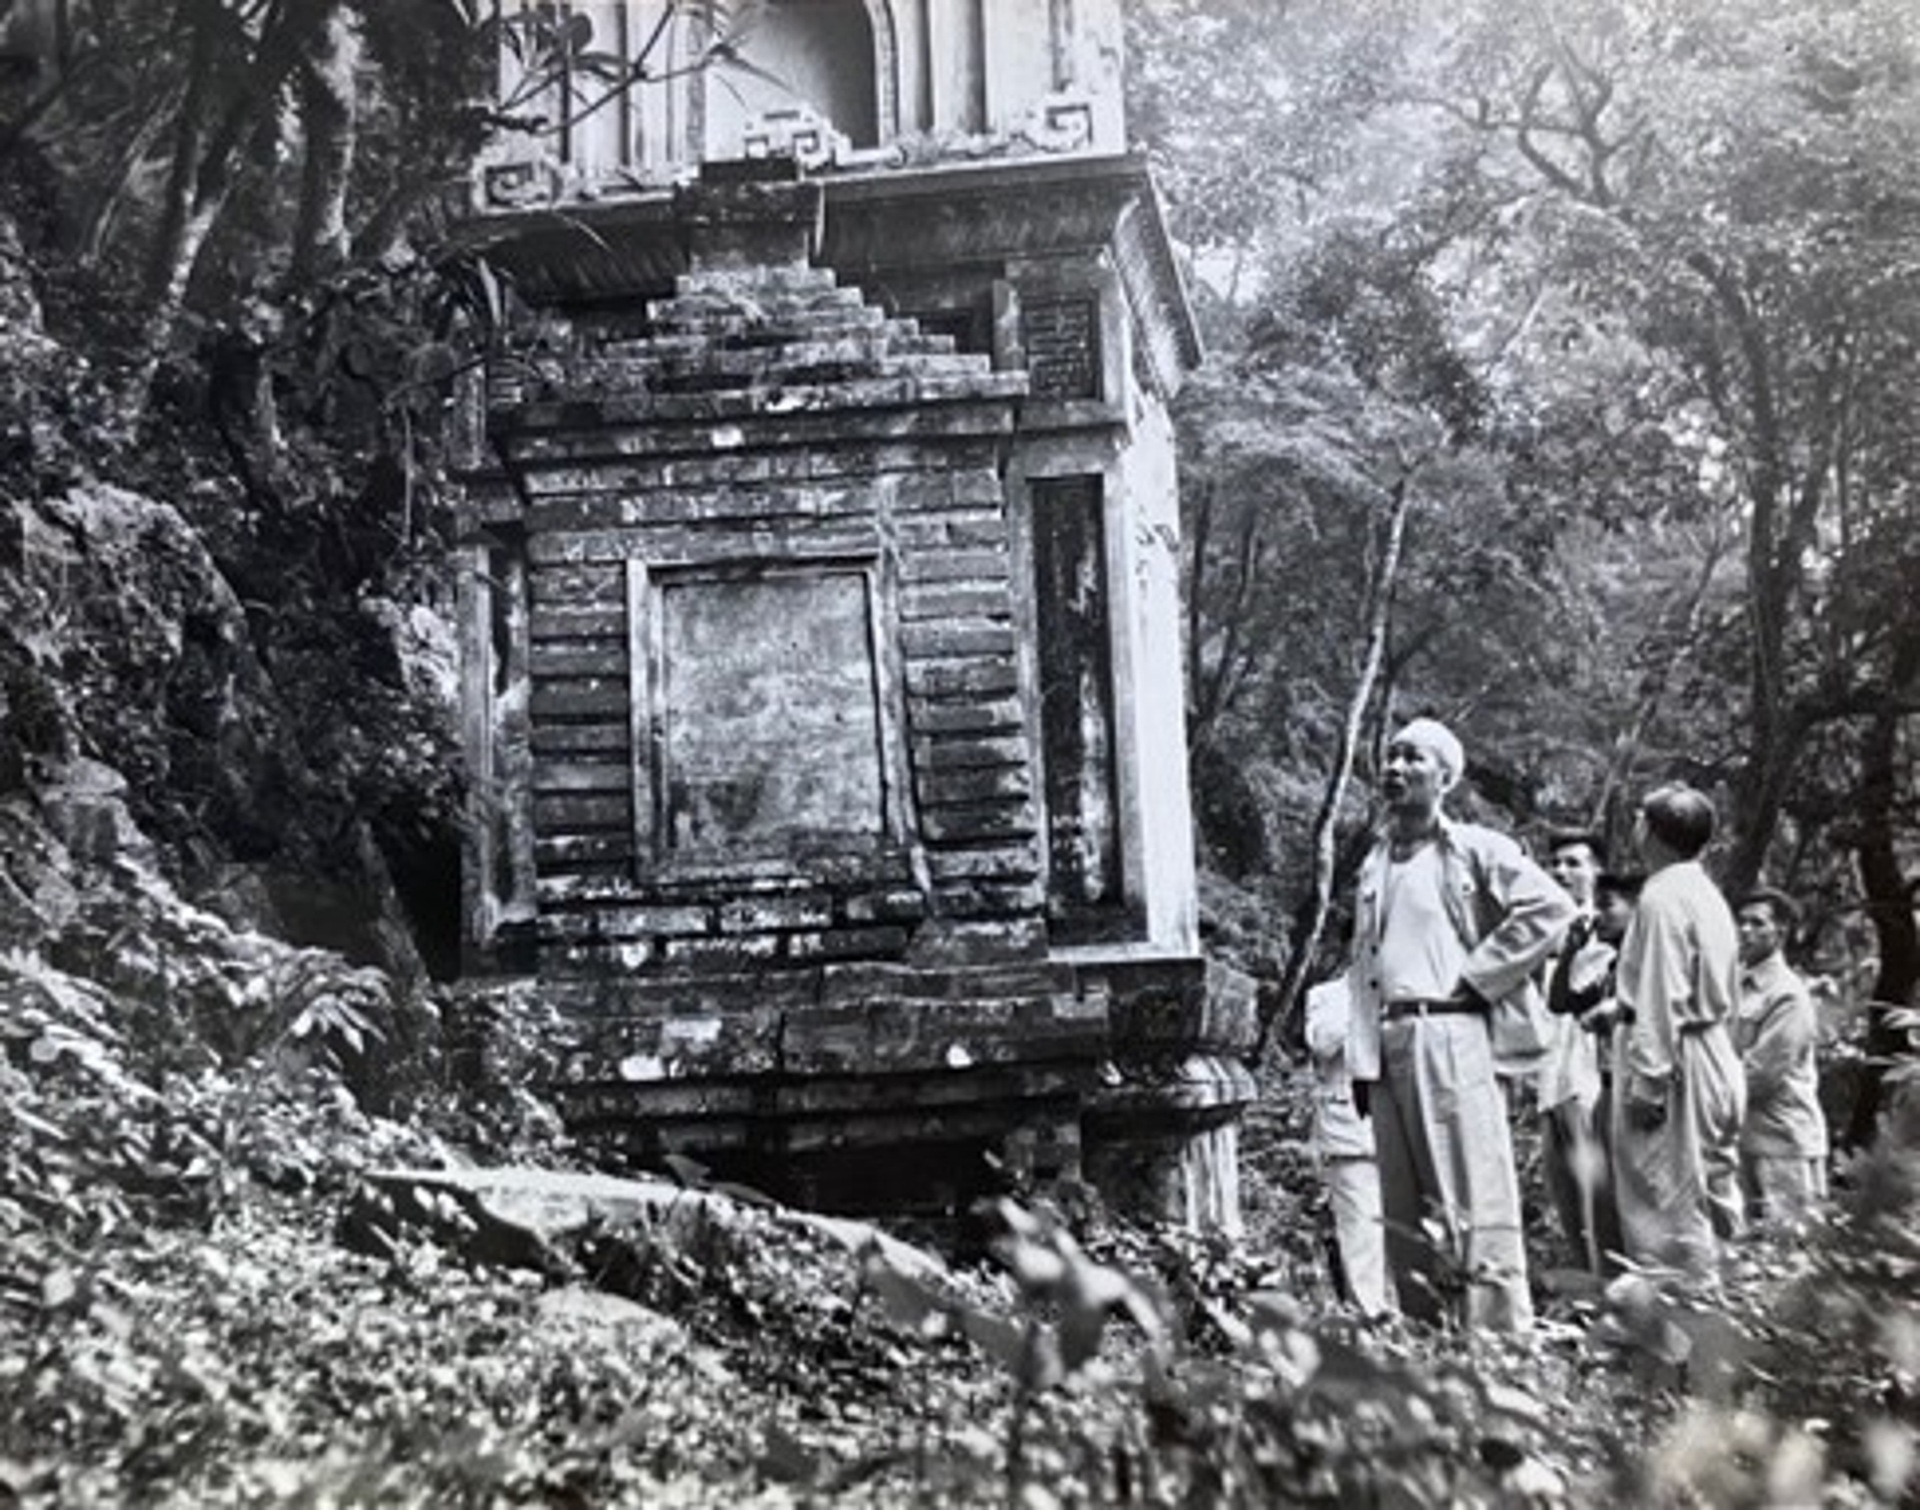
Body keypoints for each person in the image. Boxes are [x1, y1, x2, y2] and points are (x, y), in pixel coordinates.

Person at [1346, 717, 1575, 1330]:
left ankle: (1498, 1342)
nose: (1394, 768)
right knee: (1404, 1202)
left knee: (1470, 1193)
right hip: (1388, 1039)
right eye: (1390, 756)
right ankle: (1429, 1341)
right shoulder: (1374, 862)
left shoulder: (1474, 847)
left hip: (1451, 1032)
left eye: (1412, 759)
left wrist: (1479, 977)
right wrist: (1360, 1058)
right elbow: (1363, 965)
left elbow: (1552, 906)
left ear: (1444, 777)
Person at [1611, 784, 1748, 1278]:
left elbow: (1661, 992)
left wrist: (1648, 1080)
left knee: (1665, 1202)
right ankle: (1726, 1317)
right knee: (1713, 1194)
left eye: (1639, 819)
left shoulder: (1663, 895)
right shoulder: (1704, 892)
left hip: (1679, 1058)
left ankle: (1680, 1335)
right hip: (1712, 1049)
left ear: (1650, 831)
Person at [1539, 832, 1616, 1276]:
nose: (1561, 873)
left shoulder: (1606, 928)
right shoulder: (1554, 930)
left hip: (1587, 1081)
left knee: (1597, 1200)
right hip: (1552, 1080)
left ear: (1597, 872)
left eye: (1573, 864)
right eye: (1556, 865)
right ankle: (1590, 1301)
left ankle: (1614, 1300)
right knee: (1567, 1202)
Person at [1732, 887, 1829, 1224]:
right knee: (1748, 1254)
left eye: (1757, 923)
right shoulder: (1736, 986)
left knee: (1788, 1255)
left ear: (1781, 932)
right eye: (1741, 922)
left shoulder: (1788, 995)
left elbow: (1761, 1075)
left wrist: (1702, 1095)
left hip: (1783, 1142)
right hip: (1746, 1137)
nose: (1745, 931)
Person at [1304, 974, 1393, 1316]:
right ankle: (1369, 1317)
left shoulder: (1403, 984)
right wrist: (1364, 1000)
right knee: (1361, 1231)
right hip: (1350, 1131)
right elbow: (1322, 1043)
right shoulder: (1326, 994)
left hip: (1400, 1119)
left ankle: (1412, 1317)